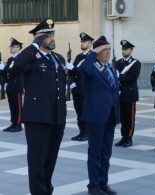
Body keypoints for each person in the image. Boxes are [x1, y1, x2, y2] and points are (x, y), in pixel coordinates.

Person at [12, 18, 67, 195]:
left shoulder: (58, 58)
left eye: (53, 34)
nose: (52, 38)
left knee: (50, 161)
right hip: (37, 118)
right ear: (38, 38)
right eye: (47, 35)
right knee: (37, 162)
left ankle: (46, 191)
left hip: (57, 117)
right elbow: (17, 65)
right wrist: (34, 45)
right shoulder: (31, 58)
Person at [80, 36, 120, 195]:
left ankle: (103, 183)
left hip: (110, 116)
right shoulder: (91, 68)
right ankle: (94, 186)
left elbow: (114, 90)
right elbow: (84, 68)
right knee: (95, 152)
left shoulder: (110, 68)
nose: (108, 53)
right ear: (97, 52)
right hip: (96, 117)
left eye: (109, 50)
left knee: (106, 153)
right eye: (105, 50)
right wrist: (92, 53)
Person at [68, 32, 94, 141]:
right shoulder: (79, 56)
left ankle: (87, 133)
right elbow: (71, 72)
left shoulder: (92, 56)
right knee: (79, 112)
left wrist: (73, 69)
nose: (82, 43)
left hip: (86, 89)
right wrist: (71, 82)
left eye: (84, 41)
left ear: (90, 43)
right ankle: (81, 131)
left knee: (85, 111)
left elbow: (86, 71)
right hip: (77, 89)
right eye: (81, 41)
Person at [114, 40, 141, 147]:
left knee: (130, 118)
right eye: (123, 49)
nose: (124, 51)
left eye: (126, 49)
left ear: (131, 50)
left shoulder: (135, 63)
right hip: (120, 94)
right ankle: (123, 137)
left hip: (130, 95)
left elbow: (133, 77)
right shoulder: (118, 62)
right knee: (123, 118)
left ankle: (129, 138)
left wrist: (120, 77)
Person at [3, 38, 24, 132]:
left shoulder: (21, 58)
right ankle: (13, 123)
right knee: (12, 106)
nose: (11, 48)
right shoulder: (10, 59)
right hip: (10, 86)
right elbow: (5, 71)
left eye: (13, 46)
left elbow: (16, 71)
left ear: (18, 48)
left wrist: (8, 69)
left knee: (18, 107)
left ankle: (18, 124)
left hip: (17, 85)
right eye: (10, 46)